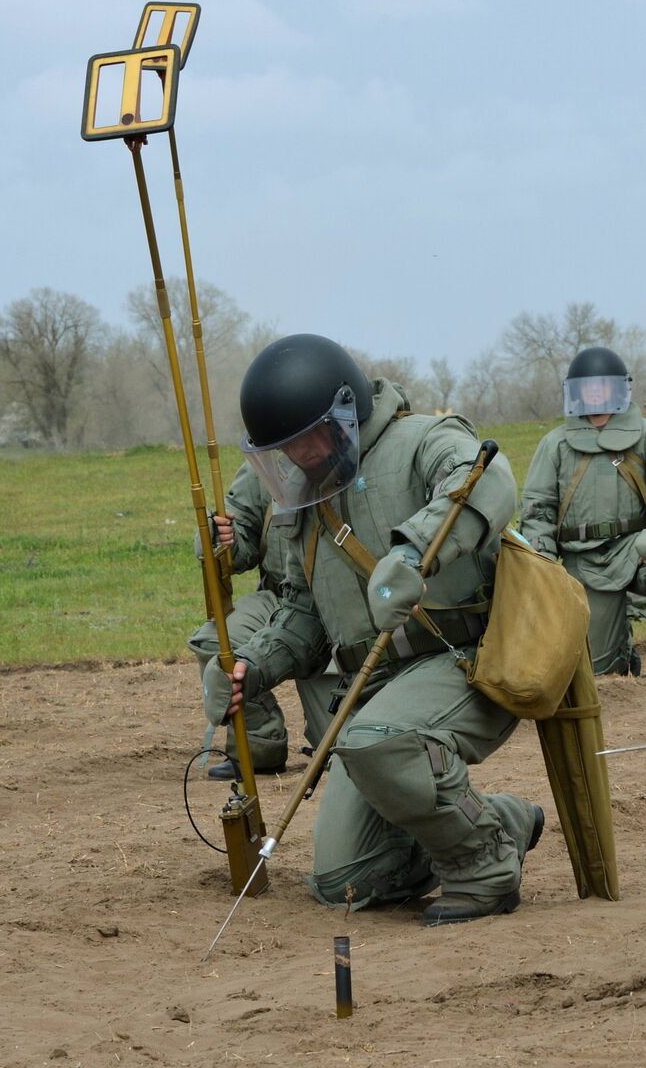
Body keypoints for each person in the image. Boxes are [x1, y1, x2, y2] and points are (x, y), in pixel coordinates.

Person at [207, 333, 543, 925]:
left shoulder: (422, 439)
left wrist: (415, 552)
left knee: (372, 739)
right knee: (343, 881)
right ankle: (500, 820)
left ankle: (485, 868)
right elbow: (304, 613)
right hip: (374, 693)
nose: (304, 456)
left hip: (466, 659)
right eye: (287, 448)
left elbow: (487, 479)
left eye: (309, 437)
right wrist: (252, 667)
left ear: (346, 407)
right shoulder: (302, 501)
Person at [520, 347, 646, 676]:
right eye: (586, 388)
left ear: (618, 389)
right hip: (582, 561)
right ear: (574, 394)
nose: (594, 394)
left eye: (602, 386)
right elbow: (538, 510)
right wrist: (543, 562)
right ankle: (623, 652)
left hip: (638, 550)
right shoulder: (555, 444)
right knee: (600, 674)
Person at [188, 461, 340, 781]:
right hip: (280, 598)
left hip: (341, 603)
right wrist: (220, 537)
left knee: (347, 753)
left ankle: (336, 740)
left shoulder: (354, 450)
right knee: (219, 643)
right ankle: (260, 745)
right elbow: (239, 541)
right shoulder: (265, 462)